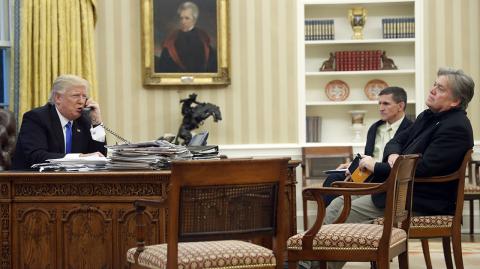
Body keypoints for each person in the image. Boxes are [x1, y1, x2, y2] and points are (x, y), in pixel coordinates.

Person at [323, 67, 475, 269]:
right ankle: (314, 263)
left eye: (440, 88)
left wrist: (378, 166)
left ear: (455, 100)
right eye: (434, 85)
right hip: (400, 192)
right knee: (337, 203)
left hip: (419, 202)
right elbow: (395, 141)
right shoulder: (427, 116)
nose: (432, 90)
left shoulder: (456, 127)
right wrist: (394, 156)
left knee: (345, 212)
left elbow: (421, 169)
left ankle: (313, 265)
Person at [321, 87, 412, 206]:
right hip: (367, 173)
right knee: (334, 178)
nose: (381, 108)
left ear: (400, 106)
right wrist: (353, 165)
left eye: (386, 104)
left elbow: (402, 165)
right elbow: (368, 156)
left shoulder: (411, 129)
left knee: (339, 189)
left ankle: (335, 220)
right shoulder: (375, 128)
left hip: (387, 176)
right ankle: (330, 222)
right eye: (379, 103)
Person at [12, 74, 107, 170]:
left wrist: (97, 122)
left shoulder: (84, 121)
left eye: (84, 96)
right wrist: (79, 157)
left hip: (74, 181)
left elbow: (100, 156)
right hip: (32, 181)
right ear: (58, 98)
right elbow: (37, 156)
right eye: (76, 96)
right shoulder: (36, 118)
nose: (81, 101)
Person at [155, 1, 217, 73]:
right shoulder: (171, 39)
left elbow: (211, 65)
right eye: (181, 18)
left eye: (187, 18)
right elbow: (164, 66)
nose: (183, 21)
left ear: (194, 20)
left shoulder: (203, 38)